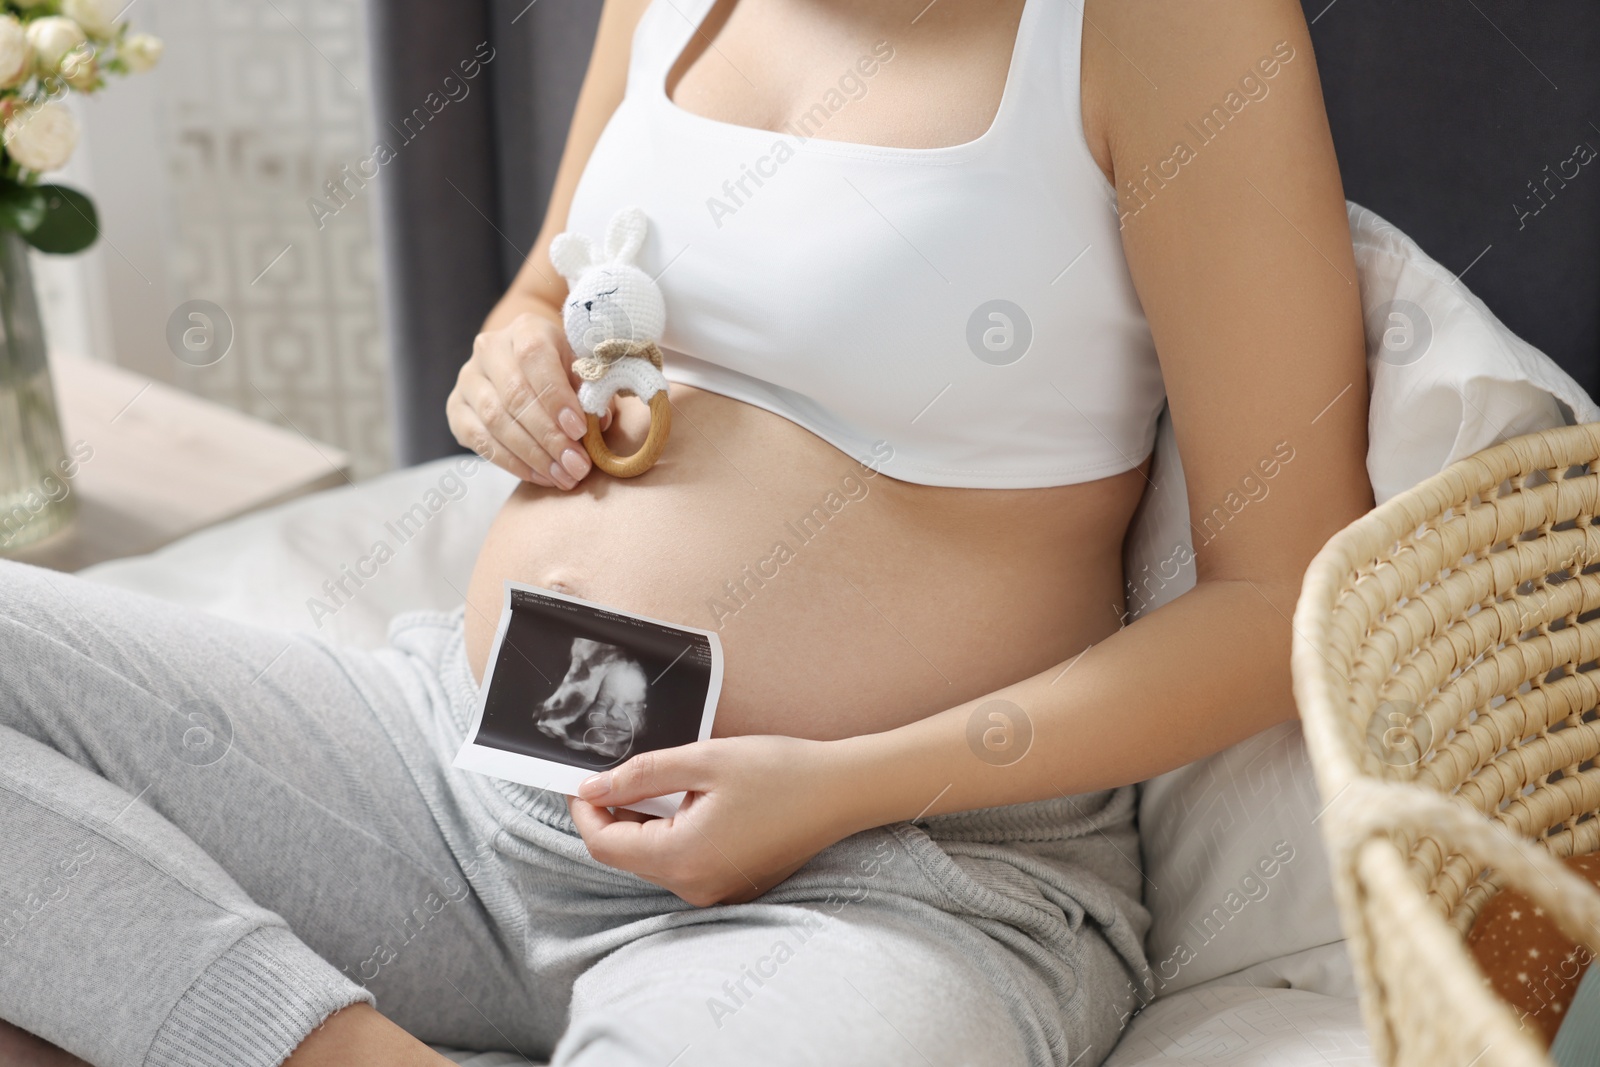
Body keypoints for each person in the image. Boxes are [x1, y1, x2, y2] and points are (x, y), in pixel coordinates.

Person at [0, 1, 1371, 1064]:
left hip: (888, 884)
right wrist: (509, 362)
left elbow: (1289, 597)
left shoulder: (1161, 30)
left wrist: (840, 788)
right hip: (462, 778)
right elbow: (549, 283)